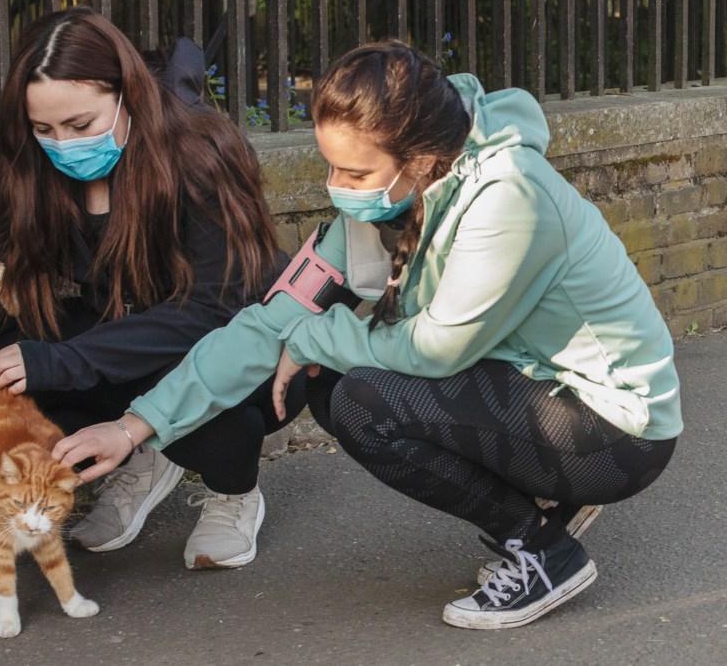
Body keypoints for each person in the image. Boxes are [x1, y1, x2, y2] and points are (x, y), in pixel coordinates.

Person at [54, 40, 681, 629]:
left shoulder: (509, 198)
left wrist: (316, 337)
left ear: (422, 160)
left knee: (361, 398)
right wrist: (135, 426)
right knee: (333, 383)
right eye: (332, 168)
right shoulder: (388, 204)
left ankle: (545, 553)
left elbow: (434, 349)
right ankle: (547, 498)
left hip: (616, 432)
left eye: (355, 173)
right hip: (533, 389)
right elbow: (269, 323)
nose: (339, 190)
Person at [0, 6, 306, 570]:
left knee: (196, 408)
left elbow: (211, 311)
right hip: (124, 333)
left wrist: (64, 361)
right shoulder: (28, 165)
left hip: (245, 351)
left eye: (81, 126)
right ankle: (140, 456)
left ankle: (233, 492)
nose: (63, 145)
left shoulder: (198, 155)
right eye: (44, 129)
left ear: (127, 98)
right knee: (8, 370)